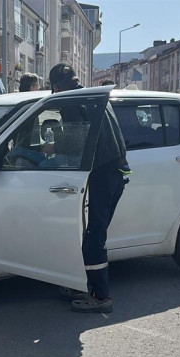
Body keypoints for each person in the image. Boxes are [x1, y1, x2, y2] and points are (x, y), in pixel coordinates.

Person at [48, 63, 131, 314]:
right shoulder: (94, 96)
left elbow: (75, 143)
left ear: (56, 86)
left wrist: (52, 148)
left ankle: (99, 296)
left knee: (94, 236)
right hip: (114, 171)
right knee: (92, 233)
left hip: (102, 174)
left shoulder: (72, 102)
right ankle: (82, 285)